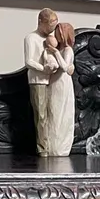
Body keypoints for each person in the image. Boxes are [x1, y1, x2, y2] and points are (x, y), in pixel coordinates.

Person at [24, 9, 60, 154]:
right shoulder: (31, 38)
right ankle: (43, 149)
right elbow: (28, 61)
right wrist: (43, 69)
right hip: (38, 80)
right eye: (50, 26)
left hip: (52, 80)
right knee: (41, 116)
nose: (52, 30)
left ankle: (52, 146)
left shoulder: (50, 38)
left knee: (52, 114)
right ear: (41, 22)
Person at [43, 22, 77, 156]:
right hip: (54, 83)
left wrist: (56, 52)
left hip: (62, 83)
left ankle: (60, 147)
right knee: (53, 112)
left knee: (61, 113)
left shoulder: (67, 50)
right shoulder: (60, 49)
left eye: (58, 33)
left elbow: (64, 67)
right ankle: (51, 145)